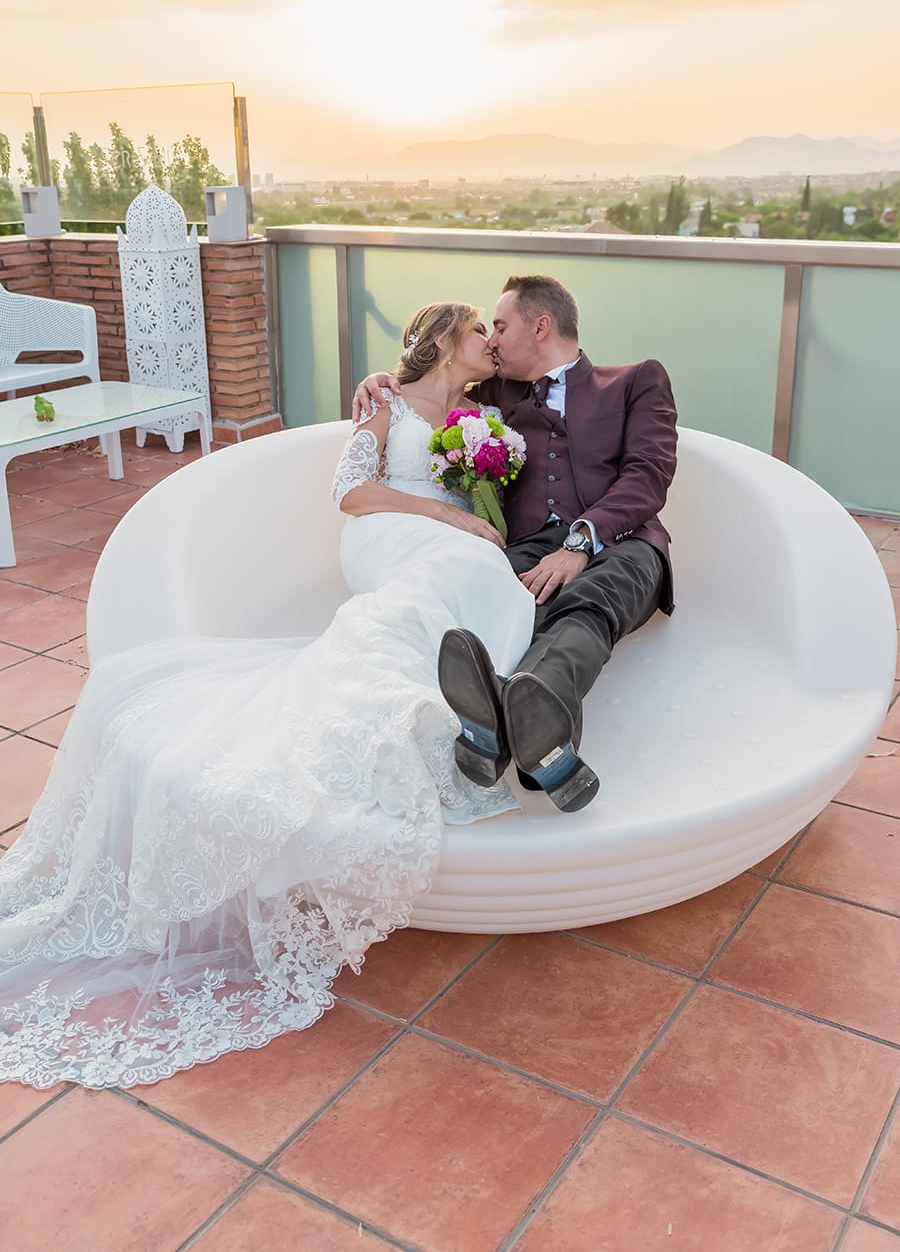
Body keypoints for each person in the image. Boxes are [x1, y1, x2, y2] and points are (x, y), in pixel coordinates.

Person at [0, 302, 536, 1091]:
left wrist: (470, 518)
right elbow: (350, 492)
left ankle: (440, 684)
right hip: (387, 532)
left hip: (443, 537)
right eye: (481, 333)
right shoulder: (384, 401)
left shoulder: (480, 415)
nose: (493, 343)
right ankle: (408, 698)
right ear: (450, 342)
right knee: (452, 571)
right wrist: (444, 516)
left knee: (477, 575)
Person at [353, 274, 678, 814]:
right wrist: (383, 378)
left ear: (541, 326)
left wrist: (580, 542)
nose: (493, 340)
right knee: (489, 596)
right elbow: (435, 384)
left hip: (622, 540)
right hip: (524, 546)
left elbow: (649, 473)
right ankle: (542, 744)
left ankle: (510, 721)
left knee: (588, 605)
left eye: (500, 327)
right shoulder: (499, 394)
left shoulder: (635, 380)